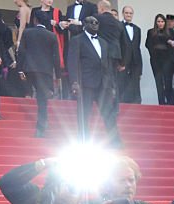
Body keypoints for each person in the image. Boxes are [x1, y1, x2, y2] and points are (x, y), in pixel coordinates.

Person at [68, 15, 119, 146]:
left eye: (96, 23)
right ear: (85, 24)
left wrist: (112, 84)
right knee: (84, 113)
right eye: (92, 22)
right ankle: (83, 140)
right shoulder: (77, 40)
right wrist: (74, 82)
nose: (95, 24)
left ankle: (115, 141)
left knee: (108, 113)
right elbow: (72, 62)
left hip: (104, 83)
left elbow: (107, 65)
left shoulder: (103, 42)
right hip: (85, 83)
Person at [16, 13, 59, 137]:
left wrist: (20, 69)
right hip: (45, 71)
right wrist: (58, 75)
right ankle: (41, 128)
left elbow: (21, 52)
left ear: (35, 20)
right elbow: (56, 57)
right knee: (42, 101)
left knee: (28, 93)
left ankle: (28, 125)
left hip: (29, 69)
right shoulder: (52, 36)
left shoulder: (27, 32)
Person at [118, 5, 142, 104]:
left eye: (130, 13)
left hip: (135, 61)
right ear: (123, 14)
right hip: (123, 61)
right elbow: (117, 45)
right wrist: (119, 63)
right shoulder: (118, 26)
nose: (128, 15)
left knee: (135, 83)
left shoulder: (137, 29)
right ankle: (123, 104)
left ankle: (136, 104)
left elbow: (137, 47)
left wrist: (140, 66)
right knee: (122, 83)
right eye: (126, 13)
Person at [145, 13, 170, 104]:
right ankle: (162, 103)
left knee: (167, 81)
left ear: (165, 22)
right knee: (158, 82)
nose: (160, 23)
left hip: (167, 60)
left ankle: (169, 102)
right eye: (158, 21)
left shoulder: (169, 32)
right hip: (155, 60)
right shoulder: (151, 31)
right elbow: (148, 44)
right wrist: (154, 53)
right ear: (156, 22)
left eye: (162, 21)